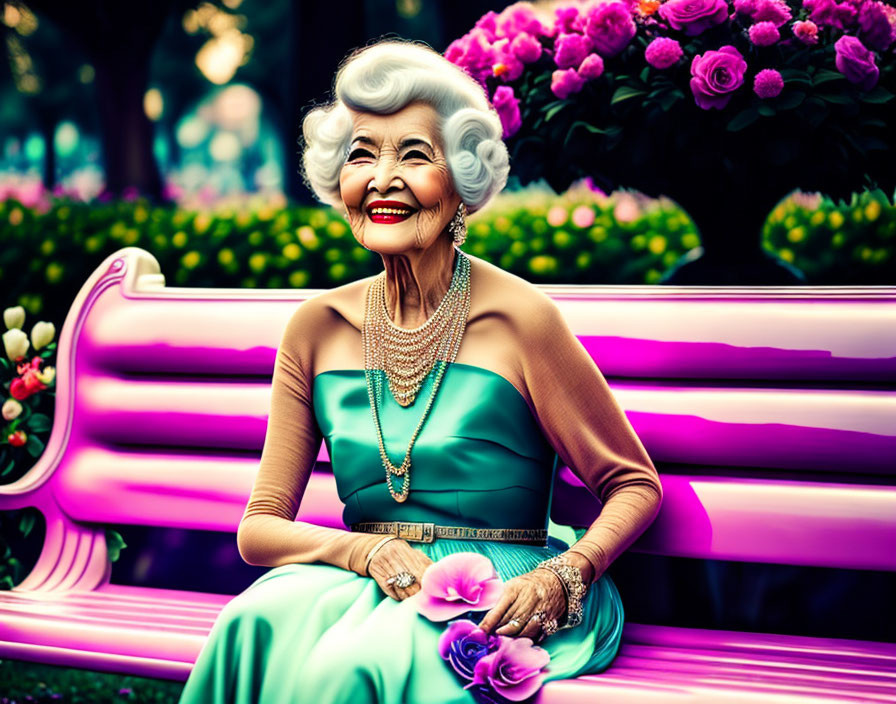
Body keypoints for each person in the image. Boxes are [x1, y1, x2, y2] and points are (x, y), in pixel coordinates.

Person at [178, 38, 663, 704]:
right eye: (360, 155)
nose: (382, 179)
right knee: (250, 622)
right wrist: (364, 553)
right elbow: (259, 530)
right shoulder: (315, 329)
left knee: (350, 672)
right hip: (367, 577)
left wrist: (567, 573)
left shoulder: (521, 318)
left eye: (413, 154)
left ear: (463, 181)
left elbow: (633, 483)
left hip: (507, 588)